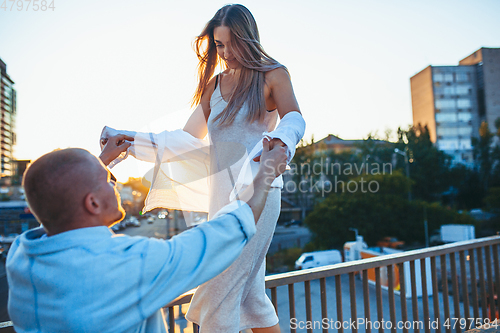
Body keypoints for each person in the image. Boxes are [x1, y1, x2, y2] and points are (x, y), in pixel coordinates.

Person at [99, 4, 305, 332]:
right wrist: (132, 140)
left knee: (218, 289)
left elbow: (294, 116)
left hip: (259, 194)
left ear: (247, 38)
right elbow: (185, 139)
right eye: (219, 45)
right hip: (220, 198)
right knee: (250, 295)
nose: (225, 53)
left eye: (231, 44)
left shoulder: (272, 75)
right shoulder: (214, 85)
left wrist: (283, 140)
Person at [6, 138, 288, 333]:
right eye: (107, 181)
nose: (114, 184)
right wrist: (266, 173)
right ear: (91, 203)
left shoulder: (22, 255)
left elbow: (58, 211)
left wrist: (96, 165)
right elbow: (226, 232)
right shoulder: (124, 265)